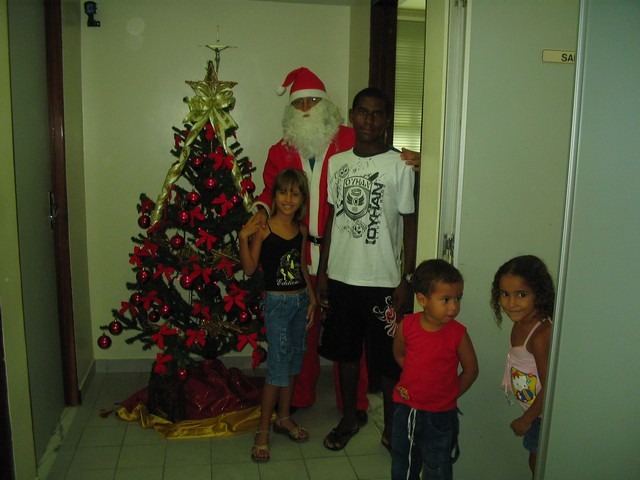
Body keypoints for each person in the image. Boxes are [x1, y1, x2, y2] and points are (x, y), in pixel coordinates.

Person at [254, 67, 420, 418]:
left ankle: (354, 405)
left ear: (327, 106)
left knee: (355, 339)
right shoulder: (279, 150)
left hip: (345, 256)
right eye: (299, 104)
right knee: (303, 330)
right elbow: (269, 191)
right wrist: (259, 212)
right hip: (297, 253)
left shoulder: (350, 138)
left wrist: (420, 161)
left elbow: (390, 163)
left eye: (313, 101)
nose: (306, 109)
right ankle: (300, 396)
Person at [316, 87, 418, 452]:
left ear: (387, 120)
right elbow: (331, 218)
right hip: (342, 277)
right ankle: (349, 418)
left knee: (388, 361)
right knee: (345, 355)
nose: (369, 120)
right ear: (352, 115)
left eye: (377, 114)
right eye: (362, 112)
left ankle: (391, 427)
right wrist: (323, 271)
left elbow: (409, 223)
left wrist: (407, 278)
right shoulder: (337, 162)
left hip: (383, 280)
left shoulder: (400, 164)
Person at [239, 168, 317, 463]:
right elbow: (249, 269)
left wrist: (311, 298)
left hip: (300, 303)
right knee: (277, 369)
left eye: (294, 194)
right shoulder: (264, 229)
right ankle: (262, 430)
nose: (288, 199)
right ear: (274, 196)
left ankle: (284, 417)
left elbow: (301, 267)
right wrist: (243, 238)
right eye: (283, 192)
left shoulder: (302, 230)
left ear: (302, 199)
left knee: (294, 362)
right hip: (277, 306)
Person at [391, 259, 479, 480]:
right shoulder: (407, 326)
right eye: (446, 299)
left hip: (441, 415)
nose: (454, 307)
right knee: (404, 463)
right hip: (407, 410)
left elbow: (471, 370)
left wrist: (451, 392)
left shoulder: (458, 333)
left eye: (458, 298)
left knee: (438, 466)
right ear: (422, 300)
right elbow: (399, 354)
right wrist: (416, 375)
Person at [490, 255, 554, 477]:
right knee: (534, 461)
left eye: (521, 295)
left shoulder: (541, 334)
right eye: (504, 294)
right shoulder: (520, 323)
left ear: (539, 293)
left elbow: (551, 386)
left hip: (541, 417)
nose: (511, 303)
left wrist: (527, 419)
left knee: (538, 464)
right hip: (534, 413)